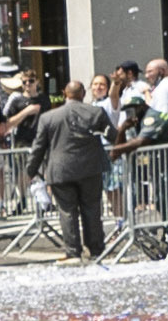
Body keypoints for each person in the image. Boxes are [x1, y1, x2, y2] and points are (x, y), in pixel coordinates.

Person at [28, 74, 119, 260]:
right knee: (92, 209)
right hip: (90, 168)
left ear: (64, 94)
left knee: (67, 211)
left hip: (61, 169)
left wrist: (31, 170)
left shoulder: (48, 117)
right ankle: (96, 249)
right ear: (83, 93)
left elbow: (38, 147)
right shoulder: (96, 113)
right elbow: (114, 137)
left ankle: (72, 251)